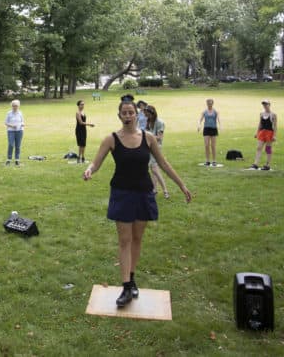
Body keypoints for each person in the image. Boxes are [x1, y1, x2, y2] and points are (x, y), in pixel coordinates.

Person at [83, 100, 192, 308]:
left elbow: (163, 163)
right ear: (119, 116)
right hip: (122, 193)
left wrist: (182, 185)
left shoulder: (148, 138)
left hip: (143, 193)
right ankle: (126, 286)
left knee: (137, 239)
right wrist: (89, 170)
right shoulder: (111, 139)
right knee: (124, 240)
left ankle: (132, 280)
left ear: (136, 115)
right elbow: (96, 162)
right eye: (124, 113)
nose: (128, 116)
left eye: (131, 112)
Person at [144, 105, 169, 199]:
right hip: (148, 147)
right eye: (145, 114)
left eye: (147, 114)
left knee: (154, 169)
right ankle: (154, 190)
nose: (146, 116)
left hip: (156, 148)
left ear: (152, 113)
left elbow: (159, 137)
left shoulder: (160, 123)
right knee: (153, 169)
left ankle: (165, 190)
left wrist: (147, 136)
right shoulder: (148, 121)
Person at [251, 100, 277, 171]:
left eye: (266, 104)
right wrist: (257, 132)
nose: (265, 106)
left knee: (268, 149)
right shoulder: (261, 114)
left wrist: (274, 136)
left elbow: (275, 126)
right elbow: (260, 124)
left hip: (269, 133)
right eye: (264, 104)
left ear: (269, 105)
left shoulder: (273, 115)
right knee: (259, 147)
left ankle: (267, 164)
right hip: (262, 132)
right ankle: (256, 164)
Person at [199, 98, 221, 166]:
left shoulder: (215, 111)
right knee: (206, 145)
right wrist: (199, 125)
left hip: (213, 129)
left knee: (213, 146)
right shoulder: (204, 112)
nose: (209, 105)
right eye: (208, 104)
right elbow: (200, 119)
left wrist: (220, 125)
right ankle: (207, 160)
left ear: (212, 104)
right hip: (206, 129)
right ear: (207, 104)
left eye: (210, 104)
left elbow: (218, 119)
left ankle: (214, 161)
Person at [4, 99, 25, 166]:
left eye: (16, 106)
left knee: (18, 146)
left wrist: (22, 124)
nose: (15, 107)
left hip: (19, 131)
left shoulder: (20, 113)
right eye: (13, 106)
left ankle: (17, 160)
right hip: (11, 131)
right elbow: (5, 123)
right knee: (11, 144)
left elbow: (22, 121)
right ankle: (9, 159)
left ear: (18, 106)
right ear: (11, 106)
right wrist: (12, 126)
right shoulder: (9, 113)